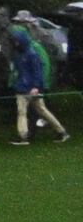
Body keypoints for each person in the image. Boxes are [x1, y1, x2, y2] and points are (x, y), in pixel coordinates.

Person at [11, 17, 70, 145]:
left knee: (42, 111)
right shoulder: (18, 54)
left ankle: (61, 131)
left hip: (31, 87)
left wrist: (36, 86)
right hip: (22, 87)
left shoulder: (31, 53)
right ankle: (23, 136)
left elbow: (37, 71)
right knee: (22, 111)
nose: (15, 43)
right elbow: (17, 71)